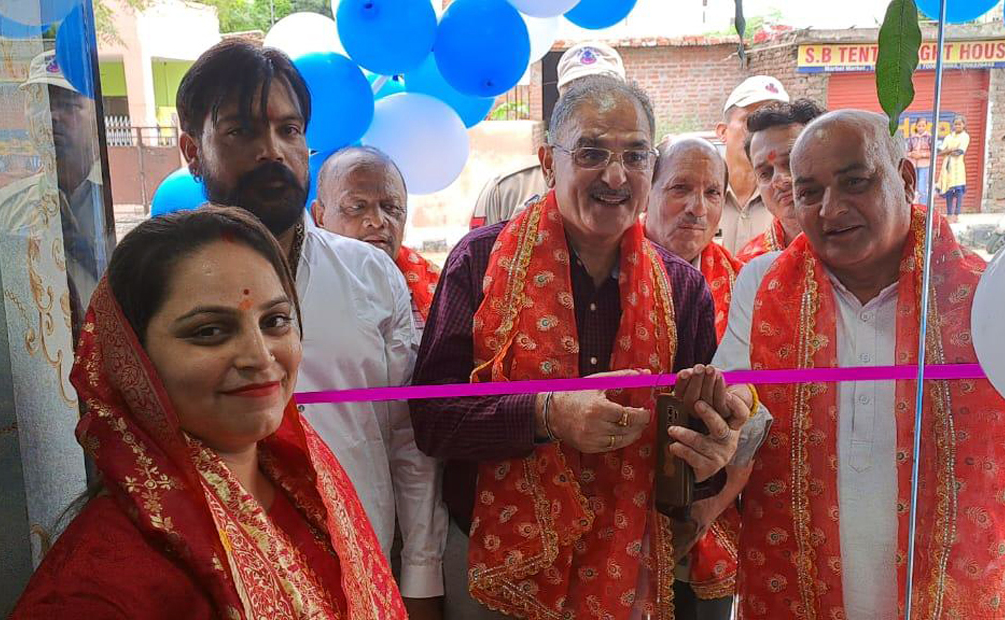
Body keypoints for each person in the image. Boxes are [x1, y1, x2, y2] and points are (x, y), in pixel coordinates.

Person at [718, 110, 1005, 619]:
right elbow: (734, 419)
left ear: (906, 179)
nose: (831, 208)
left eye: (855, 182)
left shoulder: (990, 303)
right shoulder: (761, 289)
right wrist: (719, 424)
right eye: (810, 191)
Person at [411, 75, 753, 619]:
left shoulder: (681, 289)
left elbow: (689, 457)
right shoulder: (479, 261)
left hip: (628, 564)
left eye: (635, 156)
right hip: (495, 568)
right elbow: (431, 420)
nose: (615, 176)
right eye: (592, 152)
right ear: (549, 161)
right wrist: (547, 416)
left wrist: (710, 452)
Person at [11, 206, 405, 619]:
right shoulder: (95, 587)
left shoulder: (311, 487)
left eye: (275, 321)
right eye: (209, 331)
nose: (260, 355)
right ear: (133, 358)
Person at [175, 39, 446, 619]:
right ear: (192, 151)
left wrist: (420, 579)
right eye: (242, 132)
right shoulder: (164, 286)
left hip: (363, 575)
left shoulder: (371, 275)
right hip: (225, 583)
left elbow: (408, 439)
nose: (272, 151)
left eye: (289, 130)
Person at [643, 136, 741, 620]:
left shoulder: (748, 287)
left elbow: (763, 420)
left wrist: (706, 510)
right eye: (680, 188)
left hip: (717, 523)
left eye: (713, 193)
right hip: (622, 522)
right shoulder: (612, 273)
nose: (696, 208)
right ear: (647, 190)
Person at [0, 50, 110, 340]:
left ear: (96, 116)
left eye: (68, 104)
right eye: (40, 104)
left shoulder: (116, 202)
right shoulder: (4, 210)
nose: (51, 116)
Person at [470, 41, 626, 229]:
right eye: (576, 98)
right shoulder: (508, 189)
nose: (591, 108)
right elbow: (478, 253)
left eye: (605, 96)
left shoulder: (640, 185)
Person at [311, 146, 439, 330]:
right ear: (320, 217)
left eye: (391, 208)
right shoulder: (297, 293)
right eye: (357, 207)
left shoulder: (438, 288)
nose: (378, 221)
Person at [735, 99, 827, 263]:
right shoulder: (747, 265)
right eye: (765, 173)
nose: (779, 181)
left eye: (791, 163)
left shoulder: (863, 246)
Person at [714, 75, 790, 255]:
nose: (759, 133)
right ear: (723, 131)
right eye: (750, 121)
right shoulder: (699, 198)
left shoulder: (790, 200)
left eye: (772, 124)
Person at [938, 114, 969, 221]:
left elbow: (959, 152)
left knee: (959, 192)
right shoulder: (949, 137)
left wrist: (948, 150)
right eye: (955, 124)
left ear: (964, 125)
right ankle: (949, 215)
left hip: (958, 168)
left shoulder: (965, 137)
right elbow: (940, 151)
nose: (957, 126)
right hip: (947, 168)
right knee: (949, 192)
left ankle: (957, 215)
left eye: (959, 124)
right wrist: (950, 150)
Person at [907, 117, 933, 204]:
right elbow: (907, 151)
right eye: (919, 126)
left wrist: (921, 155)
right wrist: (912, 154)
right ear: (916, 126)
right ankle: (915, 207)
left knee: (922, 188)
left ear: (926, 126)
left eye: (923, 126)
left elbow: (932, 152)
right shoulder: (912, 137)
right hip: (914, 165)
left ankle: (923, 208)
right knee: (914, 187)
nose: (921, 128)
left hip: (924, 165)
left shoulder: (929, 137)